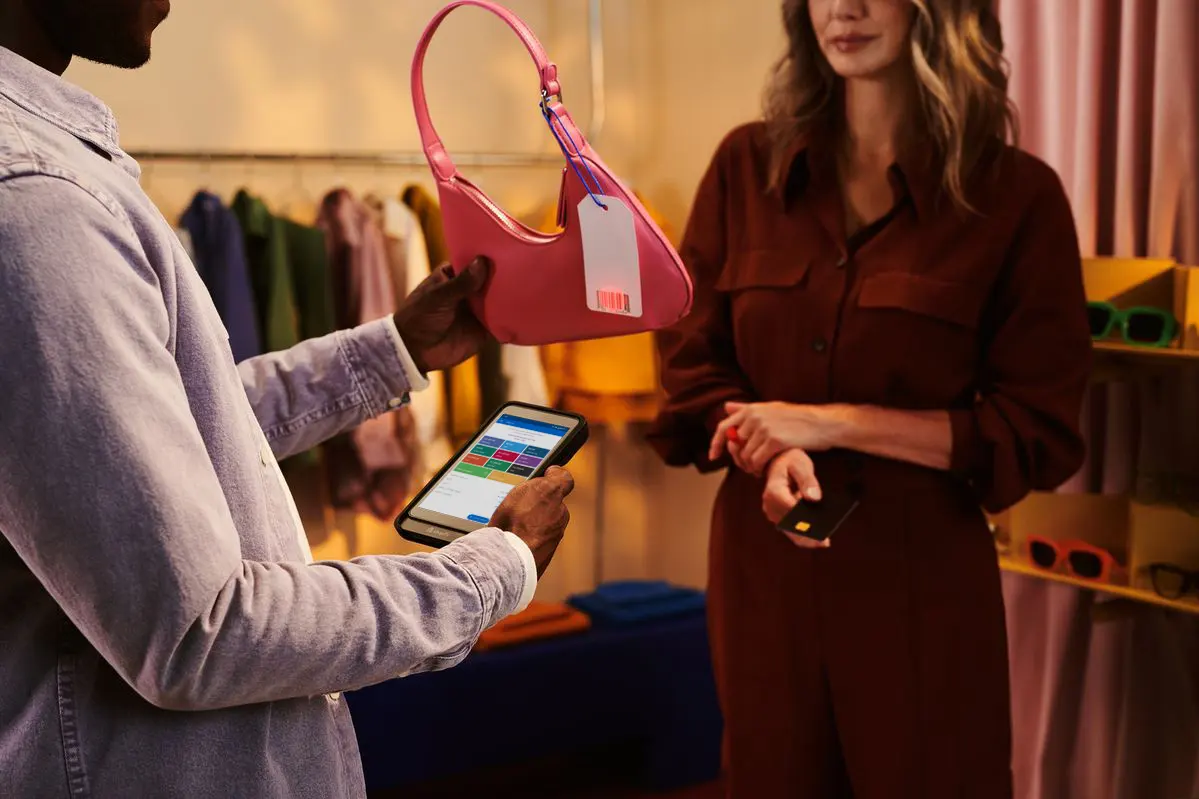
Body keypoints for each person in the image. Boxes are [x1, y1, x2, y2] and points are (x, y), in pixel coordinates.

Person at [0, 1, 574, 797]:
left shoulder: (47, 174)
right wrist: (493, 569)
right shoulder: (38, 201)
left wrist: (391, 351)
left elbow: (165, 431)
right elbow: (199, 633)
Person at [649, 0, 1092, 797]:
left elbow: (1034, 427)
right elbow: (690, 363)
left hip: (919, 587)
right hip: (764, 574)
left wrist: (830, 424)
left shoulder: (1015, 198)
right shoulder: (744, 167)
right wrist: (771, 449)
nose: (842, 8)